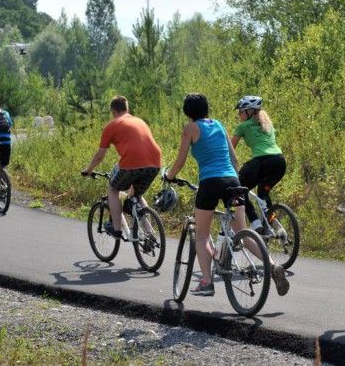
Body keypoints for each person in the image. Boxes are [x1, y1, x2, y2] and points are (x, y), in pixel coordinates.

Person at [165, 93, 289, 297]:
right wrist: (235, 179)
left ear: (188, 112)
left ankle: (206, 282)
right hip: (232, 180)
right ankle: (273, 266)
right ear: (206, 108)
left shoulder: (190, 128)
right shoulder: (220, 125)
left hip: (210, 181)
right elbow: (233, 157)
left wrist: (169, 176)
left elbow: (180, 161)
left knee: (202, 235)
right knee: (242, 231)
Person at [82, 95, 161, 240]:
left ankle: (117, 229)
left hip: (132, 163)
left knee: (113, 188)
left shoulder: (112, 125)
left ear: (113, 111)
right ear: (127, 109)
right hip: (155, 163)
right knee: (136, 195)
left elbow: (100, 155)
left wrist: (89, 169)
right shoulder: (139, 121)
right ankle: (150, 233)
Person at [231, 96, 286, 235]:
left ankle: (255, 223)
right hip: (279, 161)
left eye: (241, 111)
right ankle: (272, 225)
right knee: (263, 192)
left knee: (239, 188)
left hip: (262, 162)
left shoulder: (242, 126)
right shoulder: (267, 124)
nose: (239, 115)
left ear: (249, 111)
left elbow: (230, 149)